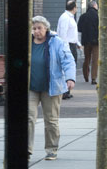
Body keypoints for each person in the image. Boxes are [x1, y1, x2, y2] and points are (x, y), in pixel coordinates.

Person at [28, 16, 76, 161]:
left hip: (52, 87)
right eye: (34, 28)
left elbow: (68, 60)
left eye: (39, 28)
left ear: (46, 29)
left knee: (51, 120)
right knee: (28, 117)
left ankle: (51, 149)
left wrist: (70, 78)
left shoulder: (57, 42)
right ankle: (26, 150)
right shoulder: (27, 43)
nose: (36, 31)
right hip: (31, 87)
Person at [57, 0, 81, 99]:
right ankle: (64, 91)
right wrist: (65, 48)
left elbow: (72, 33)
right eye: (76, 7)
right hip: (68, 46)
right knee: (67, 67)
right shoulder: (65, 18)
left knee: (71, 67)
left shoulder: (69, 17)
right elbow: (63, 34)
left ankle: (67, 90)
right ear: (74, 7)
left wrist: (78, 43)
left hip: (72, 45)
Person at [77, 1, 99, 85]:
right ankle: (93, 78)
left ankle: (86, 76)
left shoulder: (83, 16)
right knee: (95, 60)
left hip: (86, 41)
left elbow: (79, 28)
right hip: (96, 41)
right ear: (94, 6)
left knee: (87, 59)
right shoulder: (97, 16)